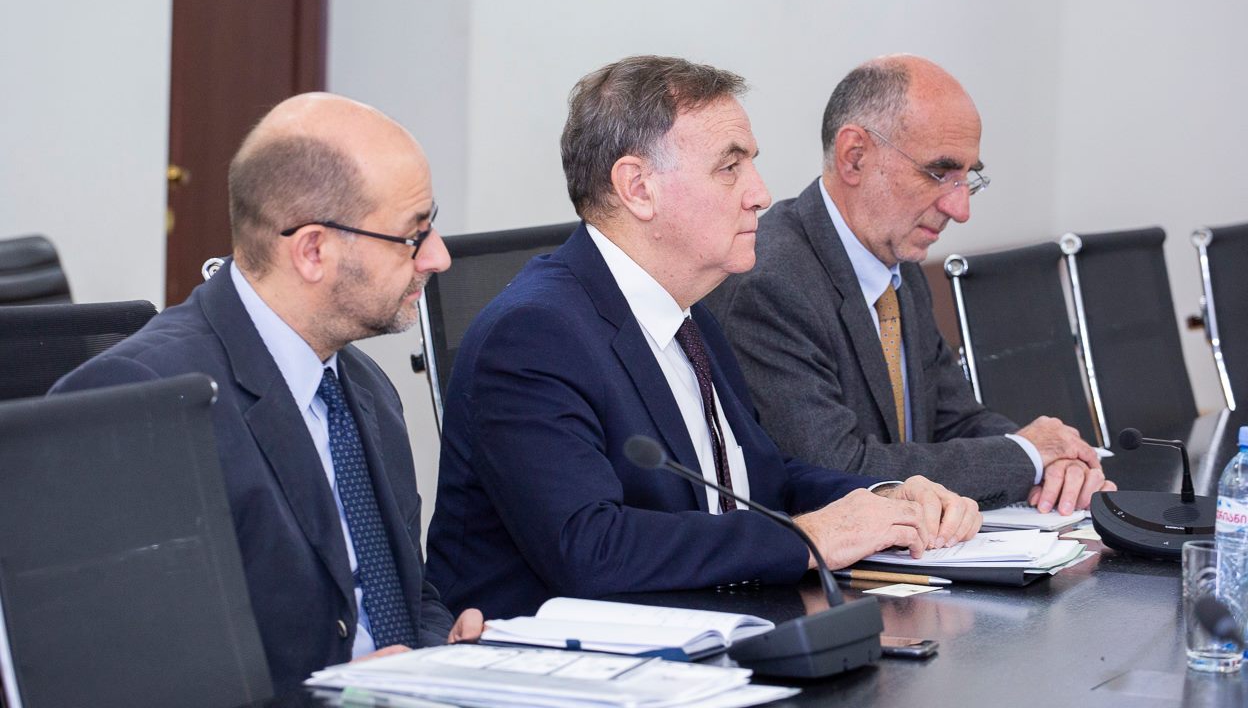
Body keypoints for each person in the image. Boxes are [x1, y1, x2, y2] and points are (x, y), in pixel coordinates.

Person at [425, 56, 981, 621]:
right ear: (638, 188)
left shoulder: (690, 312)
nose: (761, 194)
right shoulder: (532, 335)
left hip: (710, 627)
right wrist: (808, 538)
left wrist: (884, 499)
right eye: (729, 167)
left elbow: (760, 479)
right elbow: (591, 546)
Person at [53, 93, 481, 692]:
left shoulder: (364, 386)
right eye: (413, 235)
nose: (438, 257)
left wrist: (444, 651)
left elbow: (405, 595)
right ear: (313, 251)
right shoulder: (146, 401)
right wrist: (328, 694)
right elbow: (122, 672)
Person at [705, 55, 1115, 514]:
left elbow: (955, 419)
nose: (960, 209)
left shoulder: (896, 261)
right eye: (939, 174)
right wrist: (1027, 456)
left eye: (968, 179)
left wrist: (1054, 463)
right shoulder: (770, 283)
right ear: (854, 157)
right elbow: (837, 470)